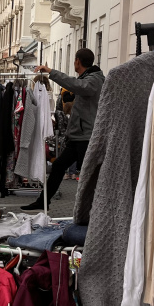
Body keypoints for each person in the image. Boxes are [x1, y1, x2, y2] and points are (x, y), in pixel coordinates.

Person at [22, 48, 105, 210]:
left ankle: (93, 210)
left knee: (89, 176)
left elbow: (76, 85)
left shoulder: (94, 80)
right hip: (78, 137)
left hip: (86, 138)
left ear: (77, 61)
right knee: (59, 166)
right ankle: (43, 201)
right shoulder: (88, 79)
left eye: (74, 60)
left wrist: (51, 72)